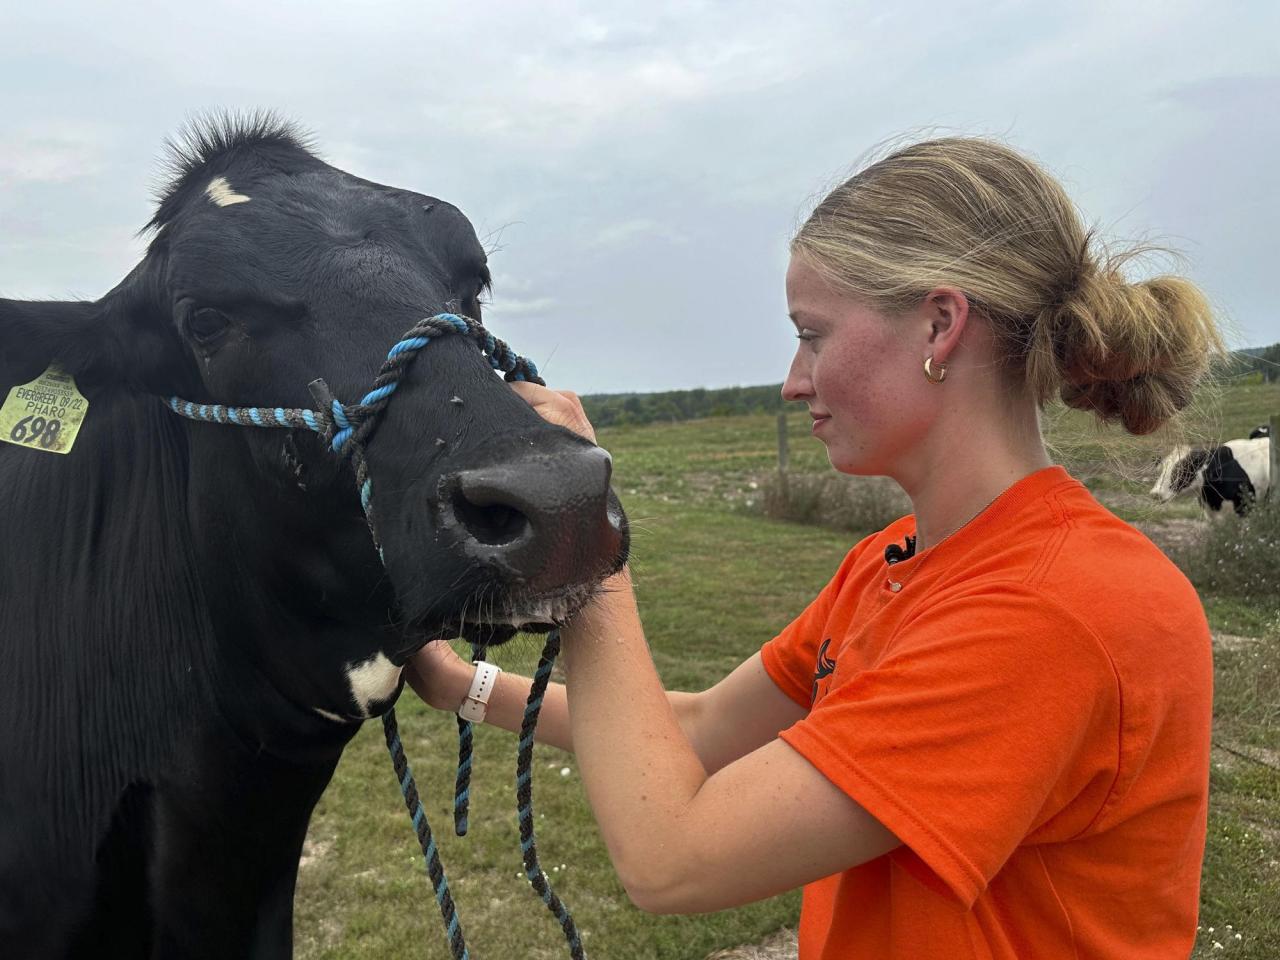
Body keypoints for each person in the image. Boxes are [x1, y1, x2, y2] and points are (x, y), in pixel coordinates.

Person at [409, 137, 1221, 960]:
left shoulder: (1058, 609)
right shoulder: (894, 562)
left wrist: (578, 524)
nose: (796, 380)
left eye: (813, 335)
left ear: (940, 325)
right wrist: (455, 685)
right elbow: (695, 731)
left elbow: (672, 857)